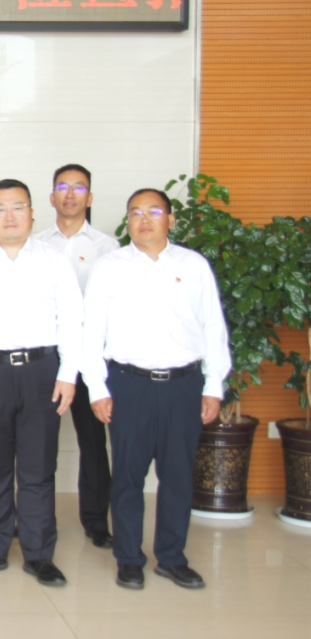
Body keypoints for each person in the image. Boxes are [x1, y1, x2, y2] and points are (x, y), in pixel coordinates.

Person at [82, 188, 229, 591]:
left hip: (184, 386)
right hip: (129, 385)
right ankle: (129, 558)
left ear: (170, 219)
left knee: (178, 476)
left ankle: (172, 557)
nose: (144, 219)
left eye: (154, 211)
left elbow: (213, 327)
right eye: (135, 213)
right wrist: (97, 388)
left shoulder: (193, 265)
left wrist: (213, 386)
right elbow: (91, 331)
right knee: (128, 476)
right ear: (127, 221)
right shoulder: (110, 267)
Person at [0, 179, 82, 587]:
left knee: (39, 467)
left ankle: (40, 554)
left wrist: (68, 373)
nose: (9, 216)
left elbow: (72, 319)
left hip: (42, 370)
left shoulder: (54, 260)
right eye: (0, 209)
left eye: (17, 207)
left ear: (32, 213)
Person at [36, 164, 120, 549]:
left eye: (79, 187)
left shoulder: (109, 248)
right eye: (63, 187)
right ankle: (36, 520)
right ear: (51, 197)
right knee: (38, 445)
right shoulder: (35, 245)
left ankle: (96, 521)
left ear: (90, 197)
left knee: (93, 441)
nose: (70, 195)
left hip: (91, 357)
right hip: (46, 356)